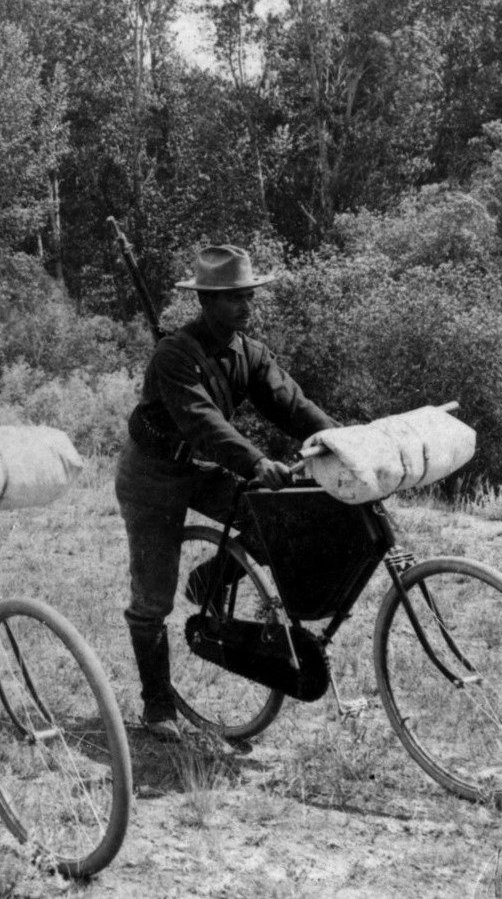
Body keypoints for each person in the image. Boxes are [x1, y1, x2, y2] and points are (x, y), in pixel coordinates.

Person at [117, 244, 337, 742]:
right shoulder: (173, 356)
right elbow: (203, 423)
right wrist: (257, 462)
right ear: (205, 302)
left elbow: (293, 405)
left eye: (248, 296)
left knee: (274, 522)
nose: (245, 306)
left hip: (203, 470)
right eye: (232, 297)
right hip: (152, 478)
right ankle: (157, 704)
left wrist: (341, 442)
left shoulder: (248, 353)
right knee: (152, 599)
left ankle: (210, 580)